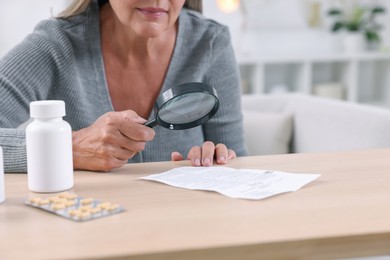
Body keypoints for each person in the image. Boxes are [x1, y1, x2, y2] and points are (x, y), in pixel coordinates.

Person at [0, 0, 247, 173]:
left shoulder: (211, 42)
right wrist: (70, 149)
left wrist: (217, 163)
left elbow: (240, 163)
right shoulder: (56, 45)